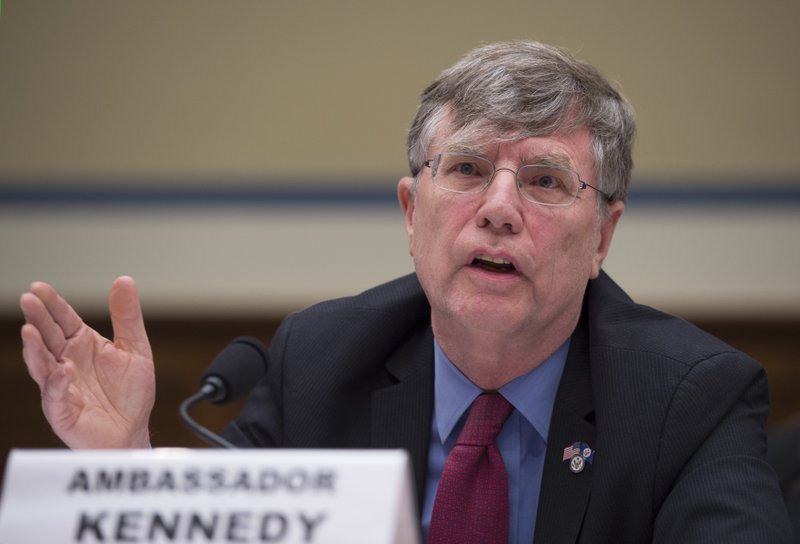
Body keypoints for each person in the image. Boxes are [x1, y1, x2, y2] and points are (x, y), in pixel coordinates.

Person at [19, 41, 793, 543]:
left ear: (603, 236)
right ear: (410, 212)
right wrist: (126, 462)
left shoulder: (688, 399)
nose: (496, 207)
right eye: (463, 169)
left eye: (545, 180)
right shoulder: (323, 360)